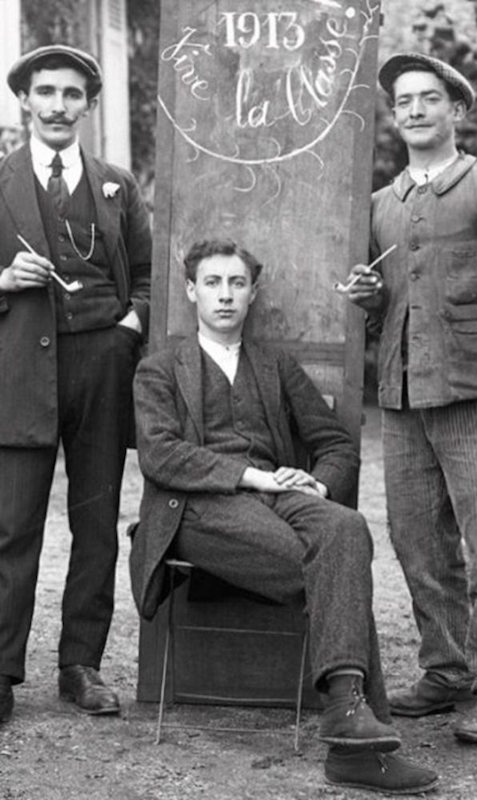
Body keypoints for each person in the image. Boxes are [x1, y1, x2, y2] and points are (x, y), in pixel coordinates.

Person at [129, 239, 438, 795]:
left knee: (345, 529)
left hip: (280, 497)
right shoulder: (159, 370)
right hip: (195, 510)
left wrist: (314, 483)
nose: (226, 295)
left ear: (252, 293)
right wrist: (254, 477)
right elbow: (160, 456)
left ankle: (348, 722)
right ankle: (356, 736)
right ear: (192, 291)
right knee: (329, 569)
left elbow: (337, 444)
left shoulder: (275, 365)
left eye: (237, 284)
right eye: (214, 283)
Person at [341, 53, 477, 744]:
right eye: (403, 101)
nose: (415, 110)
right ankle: (447, 669)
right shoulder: (380, 205)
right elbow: (392, 312)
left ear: (457, 111)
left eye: (430, 98)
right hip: (401, 402)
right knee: (417, 545)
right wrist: (370, 304)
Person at [0, 44, 151, 724]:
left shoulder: (118, 184)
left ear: (88, 105)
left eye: (71, 94)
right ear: (25, 101)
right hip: (18, 373)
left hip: (101, 367)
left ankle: (80, 666)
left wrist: (128, 327)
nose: (58, 105)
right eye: (45, 92)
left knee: (96, 524)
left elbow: (146, 275)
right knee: (11, 526)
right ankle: (2, 671)